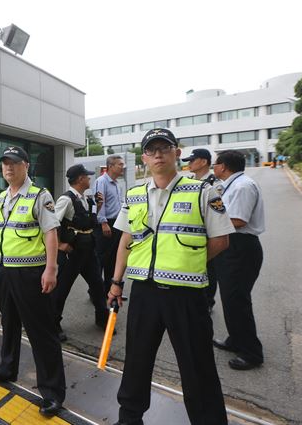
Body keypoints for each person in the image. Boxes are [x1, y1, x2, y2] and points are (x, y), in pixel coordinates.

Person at [109, 129, 234, 425]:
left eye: (164, 148)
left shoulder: (202, 190)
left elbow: (221, 241)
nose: (158, 155)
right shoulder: (135, 194)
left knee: (197, 365)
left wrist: (187, 264)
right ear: (144, 158)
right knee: (136, 361)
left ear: (177, 153)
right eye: (151, 150)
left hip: (185, 294)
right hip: (143, 292)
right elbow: (126, 240)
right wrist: (116, 282)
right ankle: (129, 419)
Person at [0, 146, 65, 417]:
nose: (9, 168)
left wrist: (51, 269)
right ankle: (7, 368)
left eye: (15, 163)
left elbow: (51, 233)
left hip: (31, 274)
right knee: (8, 323)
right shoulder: (2, 197)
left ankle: (52, 392)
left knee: (41, 332)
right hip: (5, 271)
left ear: (26, 166)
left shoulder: (39, 196)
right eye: (5, 164)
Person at [212, 150, 265, 371]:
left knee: (238, 301)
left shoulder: (242, 186)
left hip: (240, 248)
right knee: (229, 299)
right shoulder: (231, 185)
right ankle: (236, 339)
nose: (215, 167)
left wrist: (208, 226)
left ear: (223, 166)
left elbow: (239, 220)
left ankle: (251, 353)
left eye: (216, 164)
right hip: (231, 247)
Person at [53, 163, 107, 341]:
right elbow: (52, 224)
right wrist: (60, 244)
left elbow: (88, 221)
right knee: (61, 290)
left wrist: (98, 206)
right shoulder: (66, 199)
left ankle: (102, 319)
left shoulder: (86, 198)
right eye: (87, 176)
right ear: (80, 179)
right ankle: (53, 324)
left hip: (88, 252)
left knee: (98, 285)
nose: (90, 179)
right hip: (72, 254)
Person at [182, 148, 219, 312]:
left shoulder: (215, 185)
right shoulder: (189, 182)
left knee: (208, 270)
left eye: (192, 160)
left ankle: (207, 302)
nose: (189, 164)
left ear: (203, 162)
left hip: (206, 236)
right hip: (188, 237)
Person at [94, 155, 125, 293]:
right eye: (120, 164)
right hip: (106, 223)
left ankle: (109, 289)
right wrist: (103, 222)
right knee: (101, 259)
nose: (122, 167)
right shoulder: (101, 181)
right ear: (110, 166)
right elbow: (99, 204)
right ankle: (95, 291)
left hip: (117, 224)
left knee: (112, 258)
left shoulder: (117, 183)